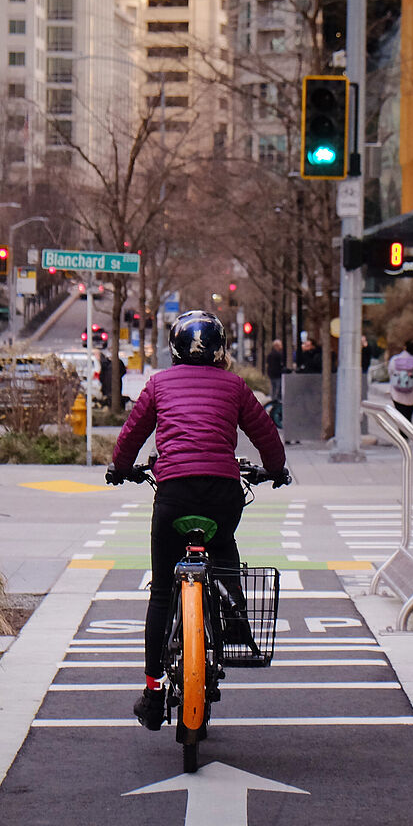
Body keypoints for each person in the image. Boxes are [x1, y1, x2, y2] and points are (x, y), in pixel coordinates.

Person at [106, 310, 289, 731]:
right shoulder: (236, 386)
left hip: (173, 495)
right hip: (222, 492)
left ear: (173, 349)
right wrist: (276, 470)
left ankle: (153, 695)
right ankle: (237, 618)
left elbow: (132, 433)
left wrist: (120, 468)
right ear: (221, 349)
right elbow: (265, 433)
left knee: (161, 596)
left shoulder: (158, 384)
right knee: (223, 542)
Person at [387, 339, 413, 421]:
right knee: (408, 417)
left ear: (405, 347)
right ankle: (407, 433)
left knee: (400, 418)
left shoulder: (394, 359)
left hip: (397, 394)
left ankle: (401, 433)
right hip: (412, 393)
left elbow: (390, 372)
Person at [265, 339, 286, 403]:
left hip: (271, 374)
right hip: (277, 374)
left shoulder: (270, 354)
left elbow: (268, 364)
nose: (281, 346)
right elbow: (280, 364)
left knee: (273, 388)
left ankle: (273, 400)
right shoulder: (278, 355)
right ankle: (276, 401)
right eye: (280, 345)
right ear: (276, 346)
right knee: (278, 388)